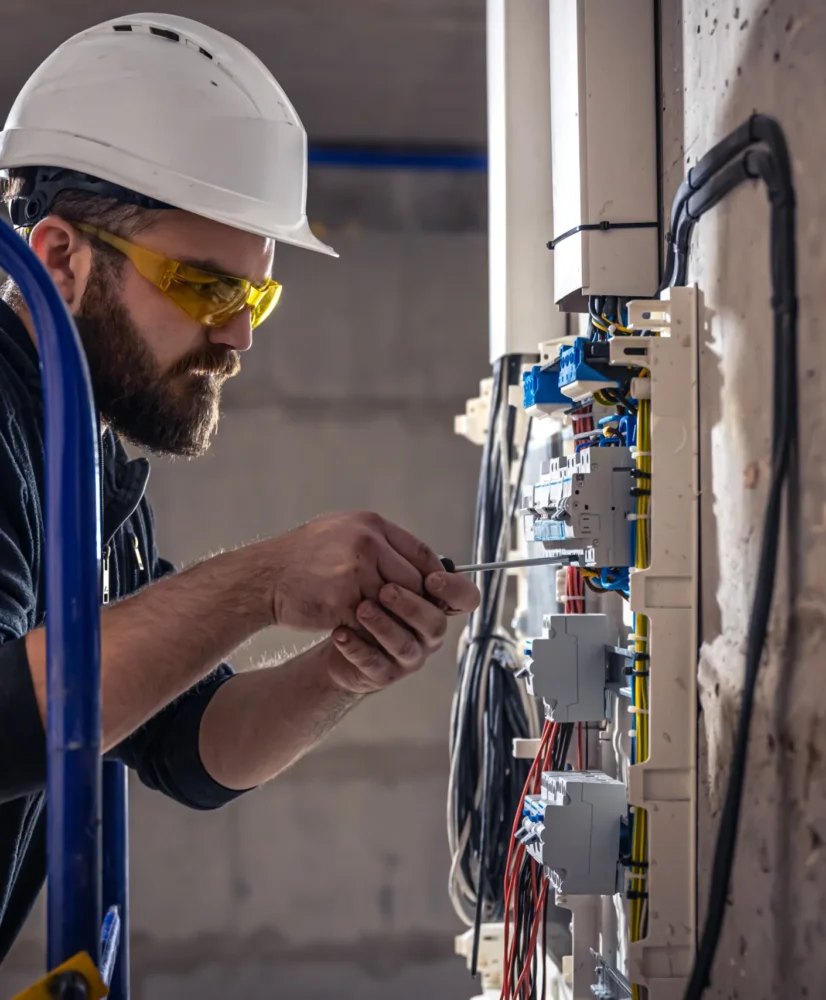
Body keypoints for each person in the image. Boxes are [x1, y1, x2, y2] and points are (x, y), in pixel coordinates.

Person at [0, 13, 479, 959]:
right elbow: (5, 721)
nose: (238, 338)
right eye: (208, 289)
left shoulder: (80, 448)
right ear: (58, 257)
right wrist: (263, 580)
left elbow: (190, 745)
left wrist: (341, 667)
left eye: (255, 296)